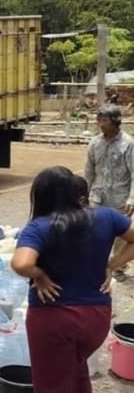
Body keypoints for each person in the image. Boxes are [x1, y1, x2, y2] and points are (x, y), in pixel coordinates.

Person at [12, 166, 134, 393]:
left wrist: (40, 275)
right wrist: (112, 265)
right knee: (75, 371)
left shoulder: (40, 227)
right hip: (96, 318)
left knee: (53, 383)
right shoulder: (106, 216)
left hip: (54, 318)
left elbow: (21, 264)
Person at [84, 104, 134, 281]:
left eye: (105, 120)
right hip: (97, 197)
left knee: (121, 234)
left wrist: (132, 198)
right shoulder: (95, 143)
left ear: (115, 121)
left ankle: (117, 267)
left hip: (120, 198)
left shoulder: (128, 144)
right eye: (99, 120)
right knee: (94, 231)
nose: (101, 124)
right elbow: (89, 172)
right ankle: (96, 264)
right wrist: (83, 194)